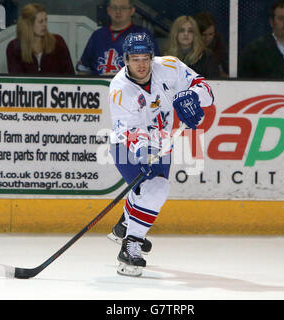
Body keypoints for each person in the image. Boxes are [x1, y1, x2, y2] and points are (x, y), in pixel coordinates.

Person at [107, 33, 213, 276]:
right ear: (126, 60)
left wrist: (192, 97)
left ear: (152, 57)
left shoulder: (169, 66)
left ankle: (126, 224)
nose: (141, 64)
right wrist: (143, 152)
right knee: (156, 189)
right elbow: (127, 130)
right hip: (126, 146)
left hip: (163, 142)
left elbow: (206, 89)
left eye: (145, 58)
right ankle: (130, 244)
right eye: (135, 59)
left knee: (150, 191)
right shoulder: (119, 89)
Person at [76, 0, 160, 76]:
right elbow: (83, 68)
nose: (118, 11)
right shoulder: (97, 35)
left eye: (123, 8)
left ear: (132, 10)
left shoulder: (142, 35)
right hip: (99, 90)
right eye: (114, 8)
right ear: (108, 10)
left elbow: (155, 69)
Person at [6, 3, 74, 75]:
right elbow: (16, 80)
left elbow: (70, 75)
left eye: (45, 20)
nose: (45, 24)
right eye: (40, 21)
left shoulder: (58, 42)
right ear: (28, 24)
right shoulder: (13, 47)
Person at [194, 11, 229, 77]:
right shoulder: (189, 49)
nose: (207, 39)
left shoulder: (219, 46)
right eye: (203, 35)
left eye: (210, 34)